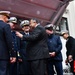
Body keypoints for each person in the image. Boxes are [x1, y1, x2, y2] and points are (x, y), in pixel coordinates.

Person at [0, 11, 16, 75]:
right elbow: (9, 41)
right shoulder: (6, 26)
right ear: (4, 17)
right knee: (3, 72)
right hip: (3, 55)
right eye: (7, 18)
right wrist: (13, 55)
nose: (7, 20)